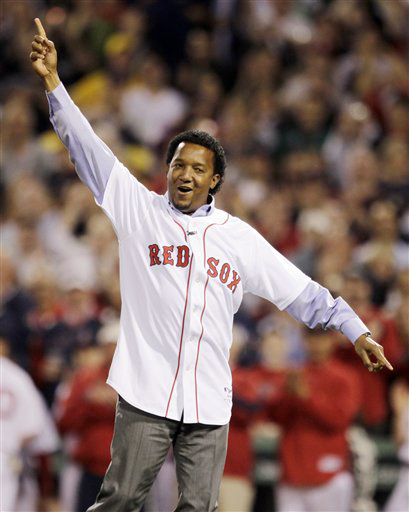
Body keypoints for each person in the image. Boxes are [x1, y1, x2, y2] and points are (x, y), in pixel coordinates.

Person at [30, 18, 393, 512]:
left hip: (209, 400)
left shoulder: (237, 237)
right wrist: (54, 82)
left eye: (198, 168)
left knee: (199, 509)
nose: (185, 174)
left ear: (215, 180)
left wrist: (356, 330)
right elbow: (86, 147)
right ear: (167, 169)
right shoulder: (138, 208)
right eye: (178, 163)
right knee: (119, 501)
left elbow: (303, 292)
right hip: (145, 390)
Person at [268, 328, 362, 512]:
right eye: (312, 338)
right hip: (292, 473)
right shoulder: (294, 374)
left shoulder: (345, 376)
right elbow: (276, 417)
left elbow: (339, 420)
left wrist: (306, 397)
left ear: (332, 340)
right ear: (304, 340)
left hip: (329, 474)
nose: (316, 344)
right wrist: (289, 395)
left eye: (322, 338)